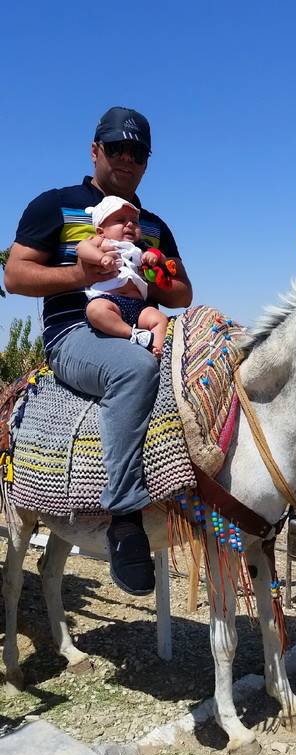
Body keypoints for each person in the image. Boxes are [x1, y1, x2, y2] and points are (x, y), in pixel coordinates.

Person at [5, 106, 193, 596]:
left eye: (138, 152)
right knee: (132, 368)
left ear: (147, 162)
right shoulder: (57, 205)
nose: (127, 159)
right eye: (117, 148)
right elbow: (16, 275)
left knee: (215, 361)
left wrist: (152, 271)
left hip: (141, 318)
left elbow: (181, 294)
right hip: (77, 331)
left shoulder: (152, 226)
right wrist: (81, 276)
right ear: (95, 151)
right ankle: (125, 516)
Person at [78, 195, 171, 357]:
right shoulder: (102, 242)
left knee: (160, 319)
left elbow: (162, 257)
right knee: (95, 310)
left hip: (139, 305)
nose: (129, 224)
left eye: (134, 222)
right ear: (101, 231)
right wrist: (100, 258)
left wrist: (155, 257)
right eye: (120, 220)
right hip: (110, 300)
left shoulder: (140, 247)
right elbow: (82, 248)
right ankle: (132, 334)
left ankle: (157, 351)